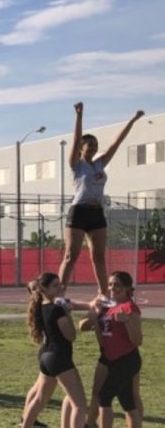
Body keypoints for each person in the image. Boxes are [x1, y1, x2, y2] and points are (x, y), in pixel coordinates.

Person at [59, 102, 144, 294]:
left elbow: (117, 143)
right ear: (82, 148)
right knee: (70, 256)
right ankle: (60, 293)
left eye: (95, 146)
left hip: (97, 212)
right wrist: (79, 115)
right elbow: (75, 139)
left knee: (98, 257)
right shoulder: (76, 165)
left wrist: (133, 120)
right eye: (89, 146)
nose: (93, 149)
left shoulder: (99, 164)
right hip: (79, 211)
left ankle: (104, 294)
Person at [16, 273, 92, 428]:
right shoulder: (57, 310)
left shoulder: (40, 306)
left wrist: (89, 305)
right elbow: (71, 336)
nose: (60, 288)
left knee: (41, 399)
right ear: (45, 290)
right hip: (59, 358)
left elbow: (72, 305)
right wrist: (67, 313)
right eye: (56, 286)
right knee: (79, 404)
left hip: (45, 356)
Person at [81, 272, 145, 428]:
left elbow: (137, 340)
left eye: (117, 285)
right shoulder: (106, 306)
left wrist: (126, 322)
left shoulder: (130, 308)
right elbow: (83, 326)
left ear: (127, 288)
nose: (112, 289)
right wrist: (93, 314)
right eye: (110, 285)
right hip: (110, 359)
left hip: (127, 360)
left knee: (104, 397)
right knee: (128, 403)